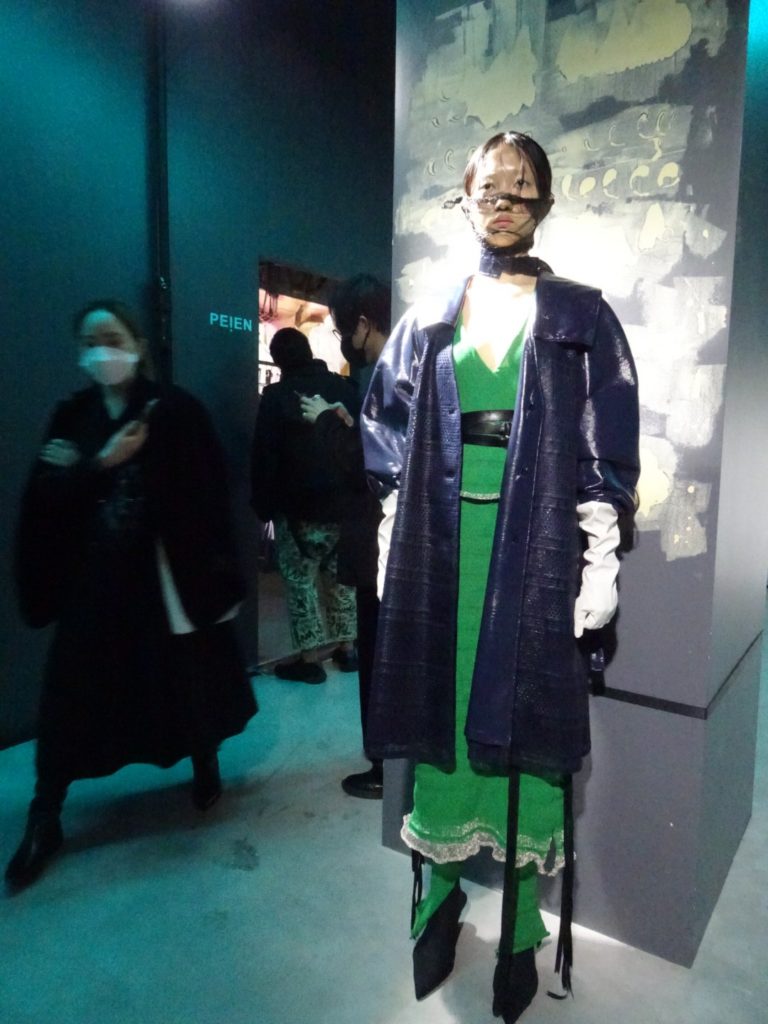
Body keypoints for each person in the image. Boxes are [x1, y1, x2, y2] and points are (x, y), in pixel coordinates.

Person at [361, 132, 640, 1022]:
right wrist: (390, 538)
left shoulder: (580, 316)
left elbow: (604, 437)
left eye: (522, 187)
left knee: (524, 731)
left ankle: (521, 927)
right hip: (442, 546)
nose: (505, 201)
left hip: (537, 549)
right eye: (490, 187)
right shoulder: (431, 316)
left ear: (545, 200)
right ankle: (438, 902)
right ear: (467, 197)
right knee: (440, 721)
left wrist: (599, 557)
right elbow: (390, 437)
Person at [7, 299, 257, 891]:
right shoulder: (73, 415)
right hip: (94, 583)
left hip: (168, 580)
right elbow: (47, 495)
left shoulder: (175, 410)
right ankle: (46, 811)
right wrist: (101, 463)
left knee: (187, 678)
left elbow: (205, 490)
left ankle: (203, 759)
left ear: (138, 345)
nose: (103, 351)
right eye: (90, 341)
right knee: (71, 693)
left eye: (113, 339)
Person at [299, 274, 391, 799]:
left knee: (377, 654)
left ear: (362, 323)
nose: (343, 341)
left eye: (340, 330)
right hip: (391, 542)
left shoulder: (385, 375)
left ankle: (382, 766)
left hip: (377, 540)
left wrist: (327, 424)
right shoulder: (402, 369)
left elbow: (365, 465)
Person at [250, 327, 358, 683]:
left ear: (278, 360)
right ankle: (347, 649)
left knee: (301, 581)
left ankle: (309, 659)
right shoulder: (345, 388)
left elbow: (265, 455)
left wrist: (263, 504)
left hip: (297, 509)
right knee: (340, 580)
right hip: (343, 506)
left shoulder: (276, 397)